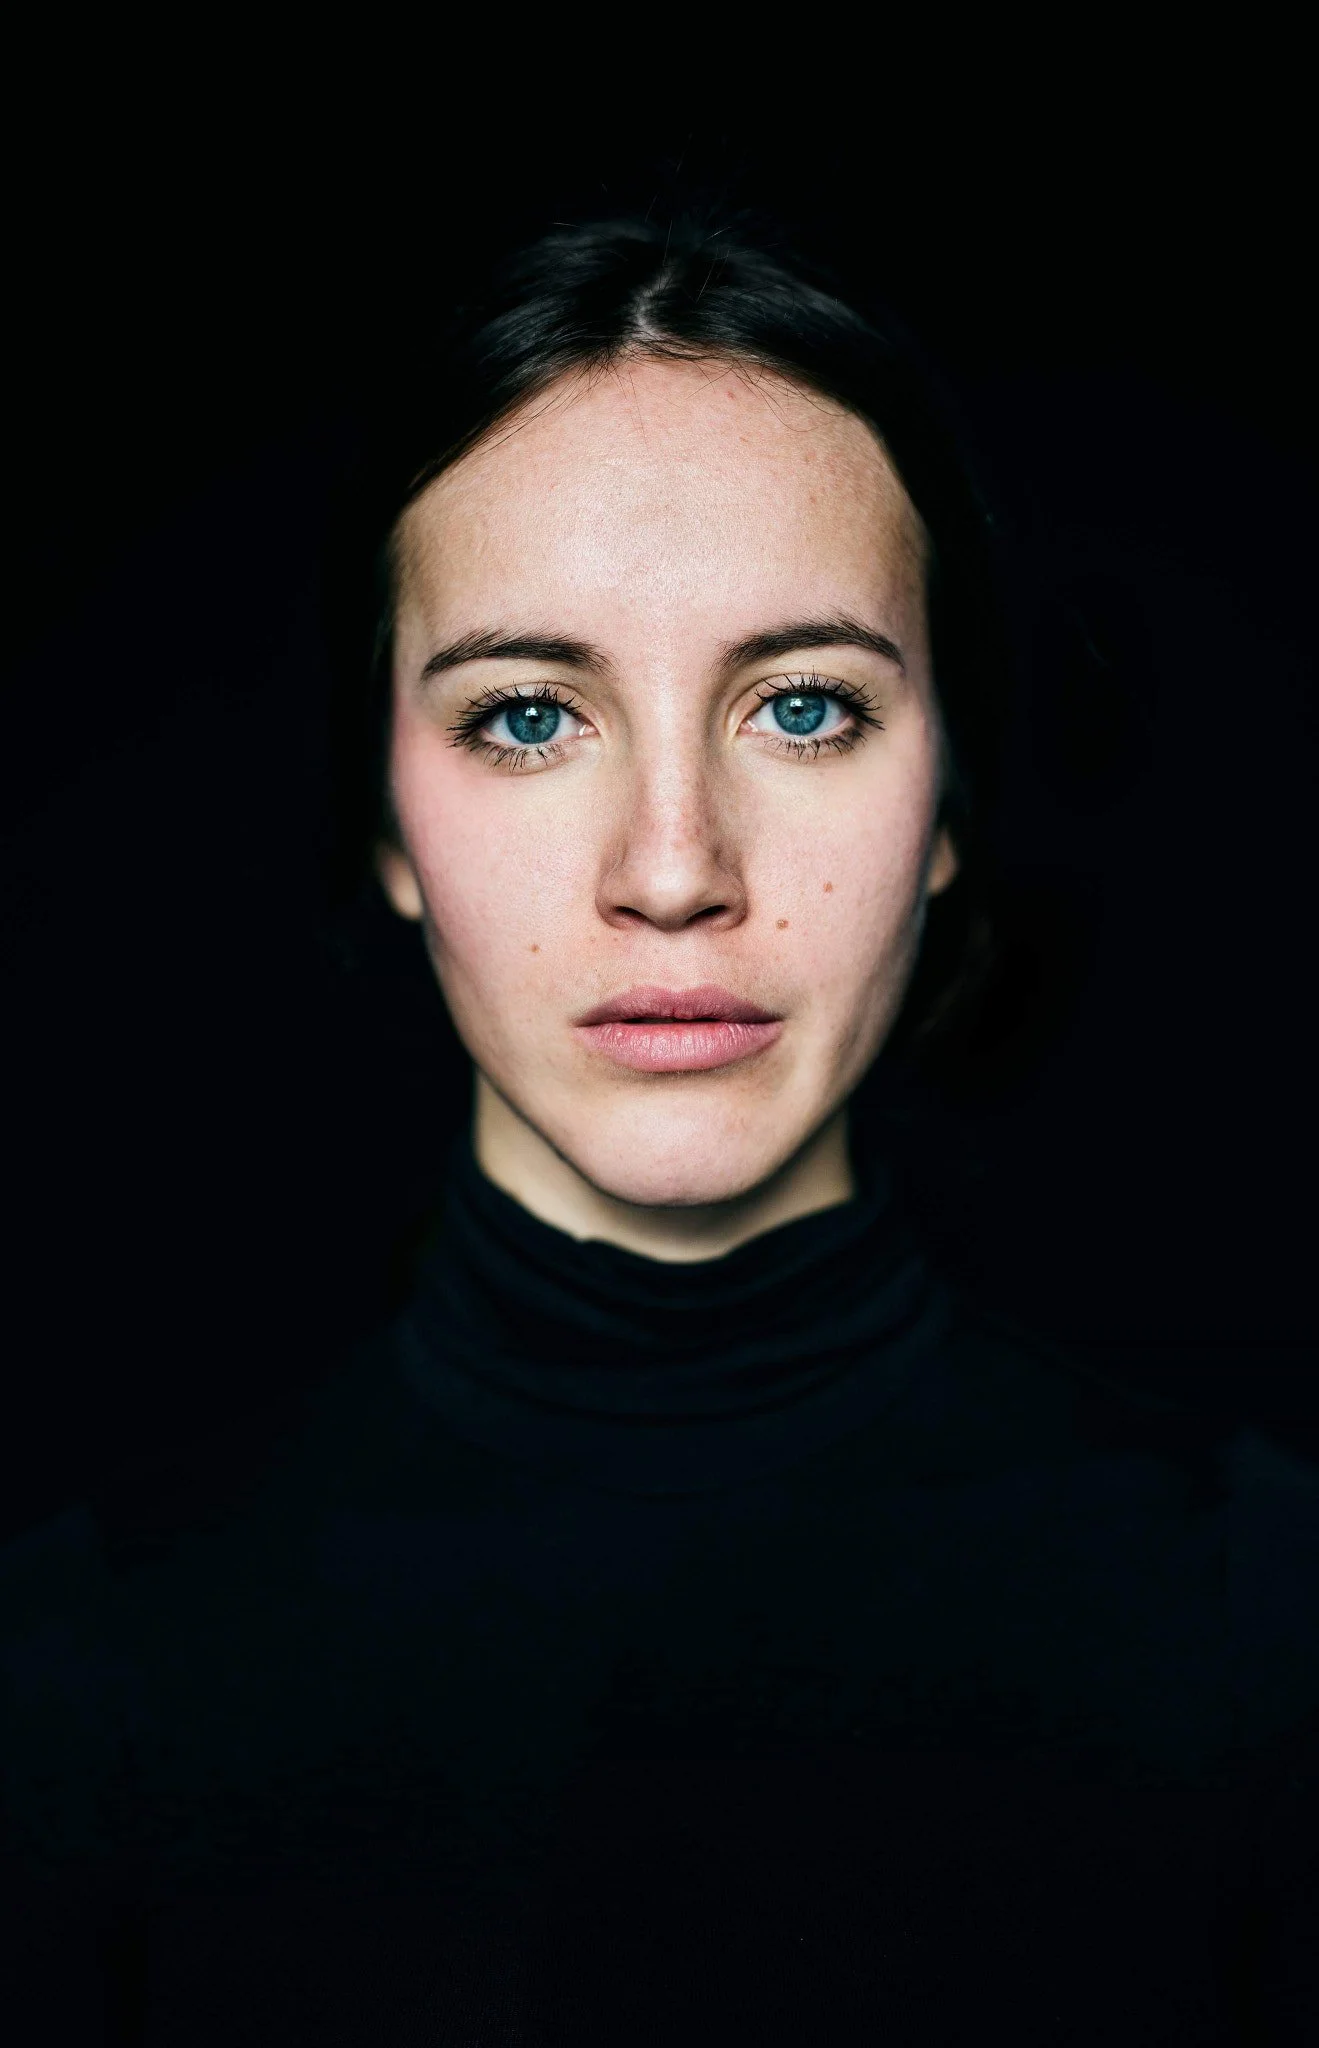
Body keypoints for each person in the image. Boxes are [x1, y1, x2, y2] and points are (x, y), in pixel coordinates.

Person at [3, 215, 1317, 2045]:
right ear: (384, 820)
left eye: (803, 707)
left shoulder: (1269, 1623)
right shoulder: (71, 1679)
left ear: (945, 798)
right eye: (529, 716)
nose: (676, 870)